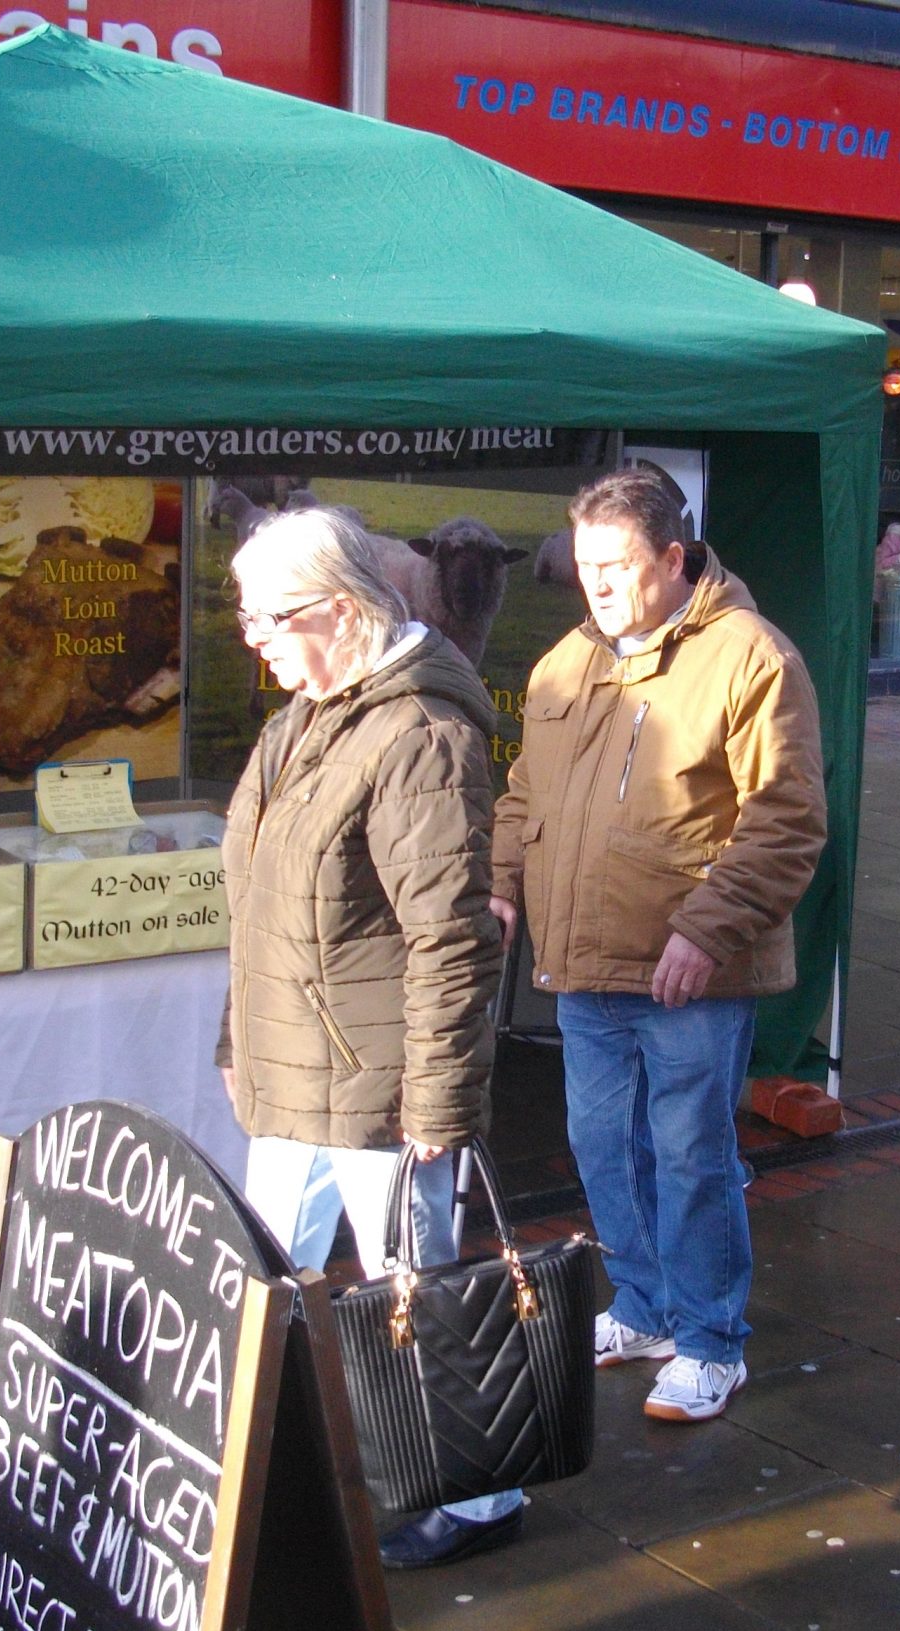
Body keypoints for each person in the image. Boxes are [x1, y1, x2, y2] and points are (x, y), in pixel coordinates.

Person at [214, 506, 517, 1571]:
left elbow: (449, 936)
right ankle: (260, 1474)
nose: (250, 638)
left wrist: (439, 1103)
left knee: (419, 1287)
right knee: (264, 1285)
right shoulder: (311, 708)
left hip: (380, 1079)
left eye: (267, 618)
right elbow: (265, 900)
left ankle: (483, 1493)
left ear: (339, 612)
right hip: (298, 1064)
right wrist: (239, 1034)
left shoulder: (419, 732)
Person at [490, 468, 827, 1425]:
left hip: (690, 972)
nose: (595, 583)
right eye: (584, 564)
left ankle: (712, 1341)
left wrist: (706, 931)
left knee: (691, 1156)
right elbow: (524, 790)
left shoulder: (752, 657)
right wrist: (498, 881)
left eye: (618, 564)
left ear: (673, 558)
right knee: (601, 1147)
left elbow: (787, 819)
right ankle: (642, 1309)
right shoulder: (567, 661)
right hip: (584, 960)